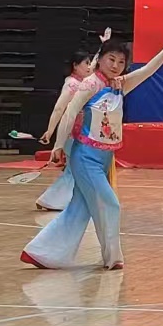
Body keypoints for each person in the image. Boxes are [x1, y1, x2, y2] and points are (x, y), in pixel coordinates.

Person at [21, 27, 163, 270]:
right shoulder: (89, 84)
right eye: (111, 59)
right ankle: (113, 258)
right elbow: (69, 113)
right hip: (85, 157)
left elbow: (149, 70)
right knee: (110, 204)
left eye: (121, 62)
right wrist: (58, 146)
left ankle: (42, 253)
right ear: (100, 60)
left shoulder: (120, 85)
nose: (116, 65)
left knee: (79, 210)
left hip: (105, 159)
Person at [35, 30, 110, 212]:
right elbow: (59, 108)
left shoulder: (83, 81)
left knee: (73, 170)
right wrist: (50, 131)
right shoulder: (72, 84)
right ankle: (54, 201)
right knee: (73, 171)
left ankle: (52, 200)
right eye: (86, 64)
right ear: (75, 66)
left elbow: (95, 66)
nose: (90, 67)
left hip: (79, 133)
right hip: (71, 134)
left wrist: (103, 46)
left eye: (90, 63)